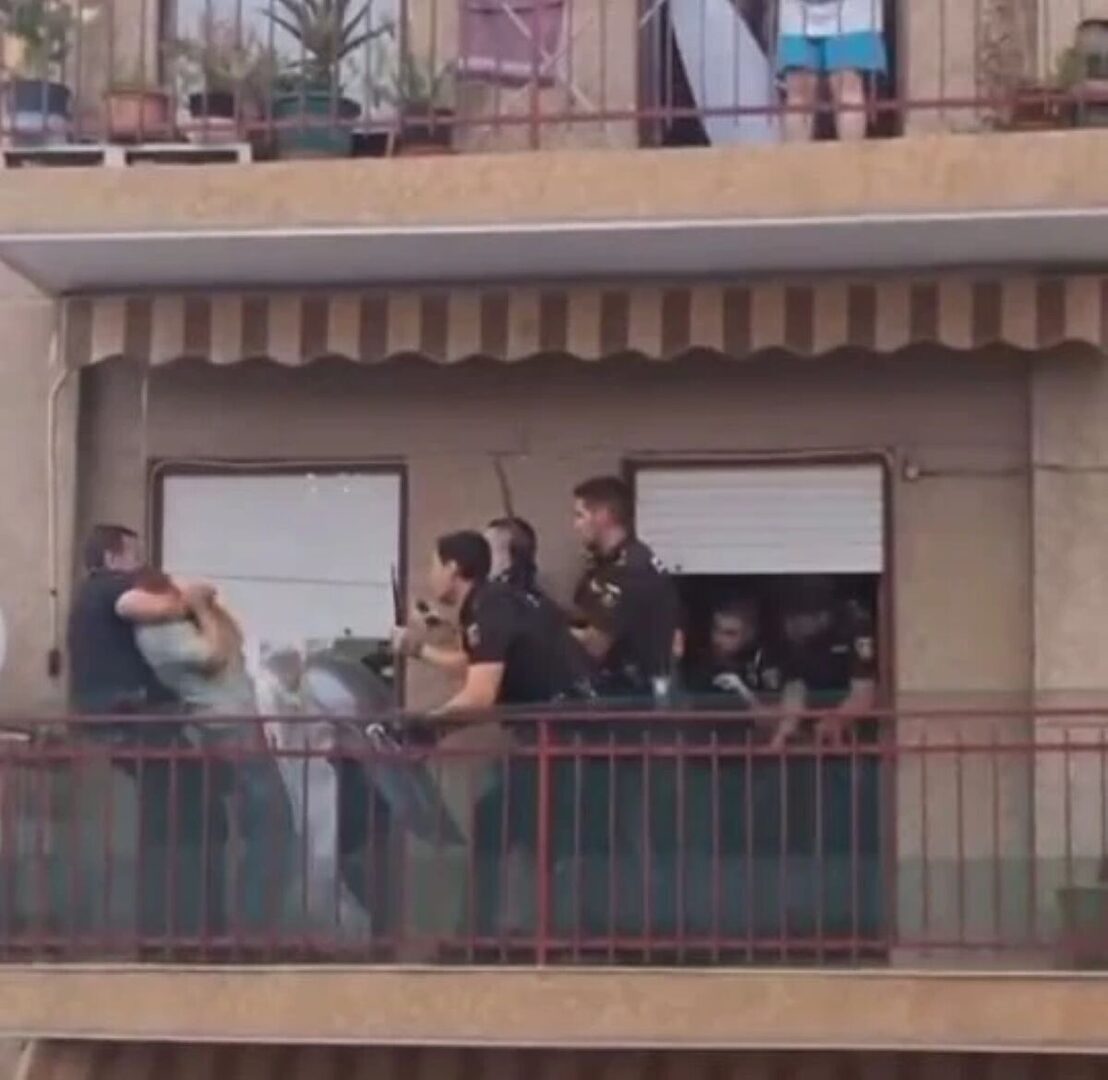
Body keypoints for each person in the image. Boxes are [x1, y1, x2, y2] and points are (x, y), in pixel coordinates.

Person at [129, 569, 292, 938]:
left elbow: (233, 638)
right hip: (226, 725)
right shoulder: (156, 632)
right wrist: (201, 607)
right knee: (274, 823)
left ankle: (254, 925)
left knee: (271, 824)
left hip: (237, 721)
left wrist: (209, 606)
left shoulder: (178, 622)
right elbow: (213, 655)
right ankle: (251, 929)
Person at [66, 524, 197, 941]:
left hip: (118, 719)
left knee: (167, 815)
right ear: (111, 559)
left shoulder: (87, 596)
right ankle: (165, 925)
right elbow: (142, 606)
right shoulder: (109, 588)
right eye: (134, 555)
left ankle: (163, 922)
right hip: (131, 721)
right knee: (173, 817)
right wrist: (189, 600)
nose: (141, 564)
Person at [570, 475, 681, 701]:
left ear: (603, 516)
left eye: (580, 515)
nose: (575, 525)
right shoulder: (606, 563)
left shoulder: (632, 569)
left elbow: (596, 645)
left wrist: (547, 628)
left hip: (637, 698)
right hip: (620, 690)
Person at [777, 0, 886, 142]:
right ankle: (850, 154)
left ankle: (848, 154)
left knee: (801, 97)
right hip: (800, 12)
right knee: (845, 93)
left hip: (852, 13)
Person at [685, 597, 781, 707]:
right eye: (716, 629)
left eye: (729, 633)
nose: (718, 639)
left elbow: (773, 715)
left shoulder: (762, 666)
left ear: (749, 635)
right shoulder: (696, 665)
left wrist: (742, 692)